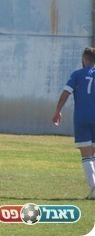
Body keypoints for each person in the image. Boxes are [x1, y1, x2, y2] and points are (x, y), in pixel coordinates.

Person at [53, 46, 95, 199]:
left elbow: (66, 93)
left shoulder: (77, 75)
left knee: (86, 154)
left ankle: (93, 187)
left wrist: (57, 110)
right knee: (93, 153)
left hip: (82, 118)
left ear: (84, 60)